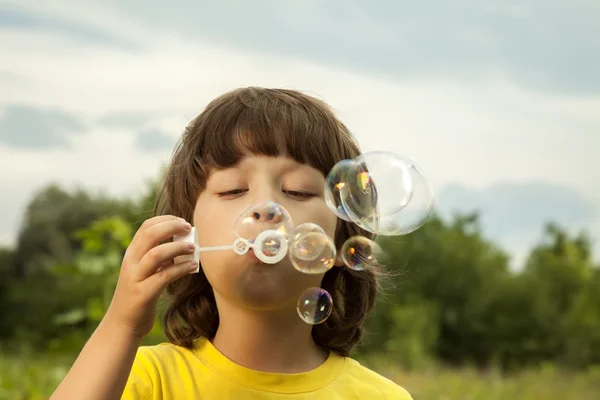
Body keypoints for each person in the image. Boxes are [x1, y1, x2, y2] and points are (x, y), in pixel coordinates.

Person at [50, 87, 413, 399]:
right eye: (233, 190)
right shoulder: (143, 379)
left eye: (297, 191)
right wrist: (122, 324)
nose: (263, 210)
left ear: (339, 244)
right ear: (188, 234)